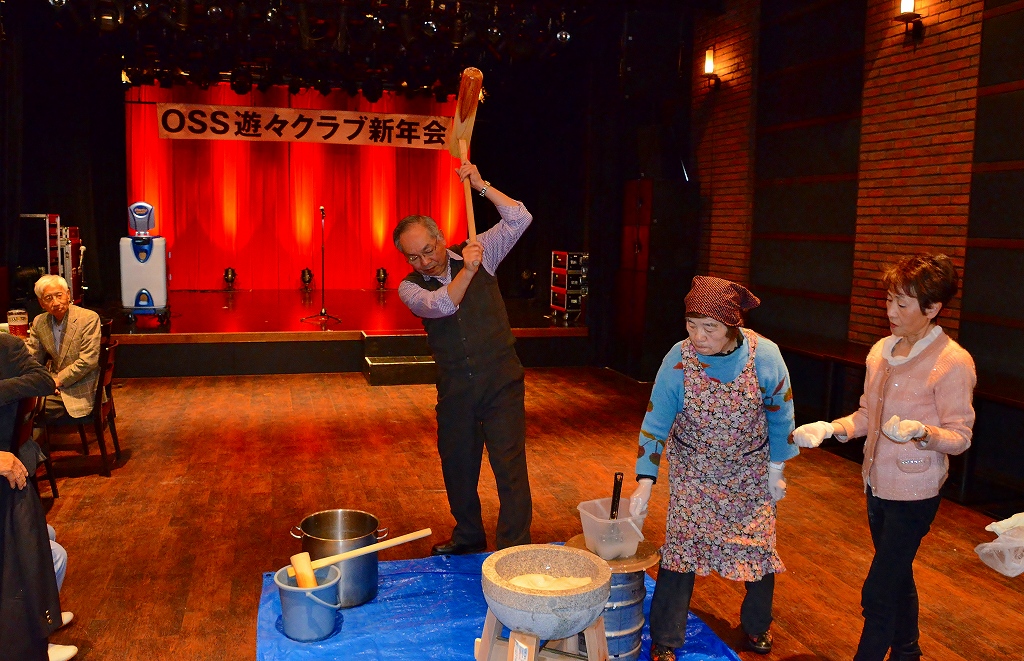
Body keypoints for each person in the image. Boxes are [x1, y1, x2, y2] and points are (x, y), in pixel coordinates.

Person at [791, 254, 975, 661]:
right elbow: (865, 415)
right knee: (897, 577)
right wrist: (830, 429)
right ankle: (908, 652)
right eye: (889, 300)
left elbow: (960, 437)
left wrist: (923, 432)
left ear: (932, 308)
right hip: (876, 485)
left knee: (878, 591)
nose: (890, 311)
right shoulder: (881, 351)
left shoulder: (952, 362)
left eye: (902, 304)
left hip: (915, 494)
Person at [627, 276, 797, 658]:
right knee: (681, 547)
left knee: (758, 547)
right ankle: (666, 639)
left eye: (710, 328)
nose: (699, 337)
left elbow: (781, 414)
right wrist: (645, 481)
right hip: (694, 472)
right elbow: (656, 422)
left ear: (733, 326)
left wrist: (776, 470)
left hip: (750, 473)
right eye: (691, 325)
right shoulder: (678, 358)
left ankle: (756, 626)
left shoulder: (765, 356)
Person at [394, 159, 532, 555]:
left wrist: (481, 185)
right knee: (458, 467)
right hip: (456, 389)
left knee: (509, 468)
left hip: (501, 381)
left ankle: (513, 548)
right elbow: (442, 304)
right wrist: (466, 272)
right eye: (413, 257)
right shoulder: (410, 288)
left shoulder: (478, 251)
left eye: (428, 250)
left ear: (440, 236)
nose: (425, 262)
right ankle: (468, 536)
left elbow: (519, 218)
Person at [0, 331, 76, 661]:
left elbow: (44, 380)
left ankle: (38, 626)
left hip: (11, 472)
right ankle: (36, 627)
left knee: (44, 539)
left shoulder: (6, 346)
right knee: (48, 550)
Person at [25, 275, 101, 425]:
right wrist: (43, 382)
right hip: (52, 388)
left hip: (81, 389)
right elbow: (32, 359)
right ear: (41, 303)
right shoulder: (39, 322)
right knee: (15, 403)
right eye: (48, 298)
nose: (55, 302)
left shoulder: (88, 318)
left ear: (68, 294)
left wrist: (57, 381)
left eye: (59, 295)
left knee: (26, 412)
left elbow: (88, 361)